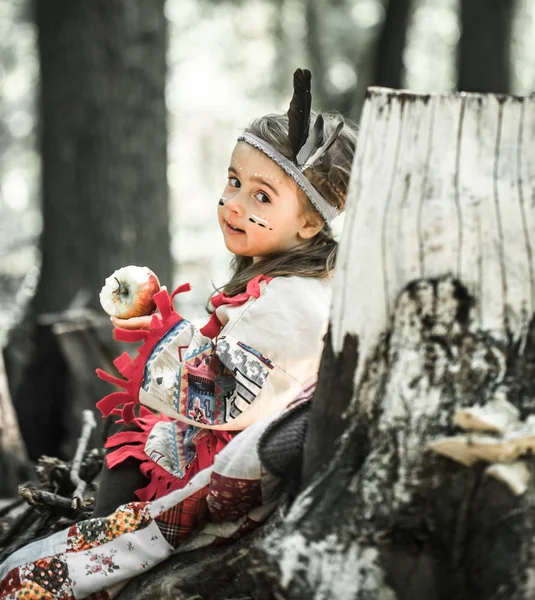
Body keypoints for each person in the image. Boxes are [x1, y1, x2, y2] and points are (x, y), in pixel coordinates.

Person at [0, 68, 356, 599]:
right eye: (233, 182)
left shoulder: (296, 301)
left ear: (310, 224)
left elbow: (229, 396)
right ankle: (95, 534)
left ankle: (96, 554)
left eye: (262, 197)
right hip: (215, 430)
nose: (234, 203)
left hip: (225, 451)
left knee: (131, 448)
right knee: (132, 437)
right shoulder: (279, 283)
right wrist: (164, 331)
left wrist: (165, 336)